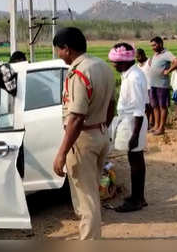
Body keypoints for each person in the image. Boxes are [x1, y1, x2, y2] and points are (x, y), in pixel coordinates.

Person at [52, 27, 115, 240]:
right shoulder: (103, 67)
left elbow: (76, 118)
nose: (58, 55)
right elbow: (111, 105)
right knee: (91, 196)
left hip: (83, 140)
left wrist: (62, 153)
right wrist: (102, 127)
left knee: (85, 201)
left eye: (58, 50)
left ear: (66, 49)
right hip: (100, 134)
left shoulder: (79, 72)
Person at [109, 43, 148, 213]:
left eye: (116, 62)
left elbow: (139, 109)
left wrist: (134, 135)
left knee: (135, 161)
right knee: (136, 159)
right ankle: (138, 197)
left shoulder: (133, 78)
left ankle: (137, 199)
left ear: (124, 62)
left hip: (134, 122)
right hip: (131, 120)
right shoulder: (131, 74)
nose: (114, 65)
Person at [149, 37, 177, 135]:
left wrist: (168, 71)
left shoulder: (167, 54)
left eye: (154, 45)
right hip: (153, 84)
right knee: (155, 106)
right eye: (151, 46)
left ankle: (161, 128)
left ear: (160, 44)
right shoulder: (155, 54)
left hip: (162, 85)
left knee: (163, 106)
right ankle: (156, 126)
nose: (152, 48)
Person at [136, 48, 154, 128]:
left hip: (151, 87)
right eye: (136, 57)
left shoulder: (149, 62)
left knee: (152, 106)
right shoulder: (137, 65)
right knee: (145, 107)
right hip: (142, 89)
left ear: (143, 55)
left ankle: (151, 122)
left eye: (139, 56)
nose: (137, 58)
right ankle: (147, 123)